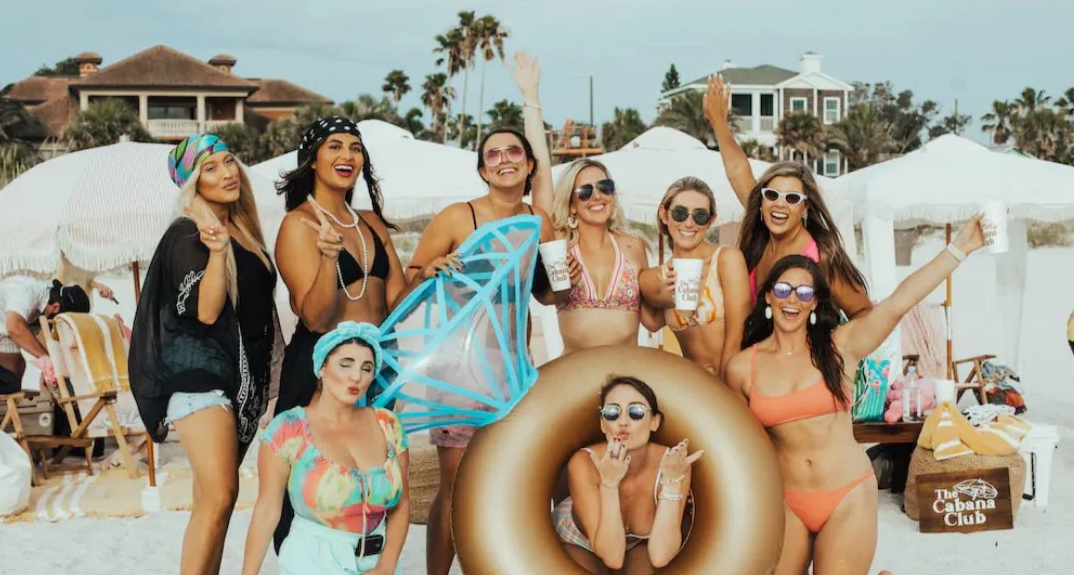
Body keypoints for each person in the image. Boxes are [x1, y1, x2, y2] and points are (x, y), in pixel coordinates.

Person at [723, 216, 986, 575]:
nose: (792, 301)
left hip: (846, 495)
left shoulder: (839, 348)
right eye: (783, 290)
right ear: (768, 295)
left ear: (815, 303)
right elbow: (740, 448)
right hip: (786, 500)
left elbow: (897, 303)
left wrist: (960, 248)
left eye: (804, 293)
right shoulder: (741, 368)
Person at [404, 126, 562, 575]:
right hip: (458, 369)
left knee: (505, 479)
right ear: (482, 169)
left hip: (515, 371)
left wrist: (562, 273)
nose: (504, 159)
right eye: (493, 154)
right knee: (455, 484)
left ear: (529, 164)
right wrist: (430, 268)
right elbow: (412, 275)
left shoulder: (540, 222)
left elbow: (548, 297)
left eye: (514, 151)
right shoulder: (459, 217)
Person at [129, 133, 283, 575]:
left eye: (229, 160)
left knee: (214, 502)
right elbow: (206, 309)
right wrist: (216, 254)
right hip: (199, 377)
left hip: (230, 379)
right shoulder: (188, 233)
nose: (227, 172)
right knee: (218, 498)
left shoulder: (245, 231)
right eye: (210, 167)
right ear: (193, 183)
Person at [272, 116, 407, 550]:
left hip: (377, 368)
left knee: (373, 488)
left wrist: (430, 272)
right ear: (313, 159)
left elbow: (397, 303)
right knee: (317, 490)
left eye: (354, 147)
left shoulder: (369, 222)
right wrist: (329, 258)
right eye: (334, 146)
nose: (347, 155)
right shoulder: (299, 224)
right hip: (321, 370)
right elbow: (313, 317)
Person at [242, 321, 410, 575]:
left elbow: (402, 504)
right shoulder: (289, 428)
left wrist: (385, 567)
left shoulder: (388, 425)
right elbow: (267, 509)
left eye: (367, 368)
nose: (357, 376)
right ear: (321, 368)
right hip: (312, 561)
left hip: (377, 562)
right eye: (346, 364)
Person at [703, 75, 871, 318]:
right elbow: (738, 171)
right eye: (772, 194)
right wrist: (718, 122)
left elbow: (864, 312)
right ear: (761, 202)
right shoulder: (759, 241)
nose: (780, 203)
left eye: (792, 198)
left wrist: (831, 348)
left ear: (806, 208)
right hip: (757, 354)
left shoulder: (820, 255)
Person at [552, 375, 702, 574]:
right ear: (603, 424)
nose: (623, 421)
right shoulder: (584, 462)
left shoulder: (672, 463)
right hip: (579, 540)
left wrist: (672, 482)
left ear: (655, 422)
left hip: (637, 545)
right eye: (612, 412)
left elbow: (660, 556)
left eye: (636, 412)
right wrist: (609, 483)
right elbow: (613, 558)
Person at [638, 178, 751, 377]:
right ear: (664, 215)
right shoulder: (661, 277)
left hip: (733, 381)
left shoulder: (726, 259)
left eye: (700, 216)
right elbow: (651, 323)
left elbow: (738, 335)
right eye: (680, 213)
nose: (689, 223)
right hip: (693, 388)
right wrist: (652, 283)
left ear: (711, 220)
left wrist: (726, 389)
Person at [0, 277, 89, 394]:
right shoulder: (28, 292)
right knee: (9, 383)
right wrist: (47, 359)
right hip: (9, 326)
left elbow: (42, 342)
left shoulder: (48, 305)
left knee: (15, 374)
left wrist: (54, 368)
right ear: (56, 307)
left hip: (4, 333)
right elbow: (14, 326)